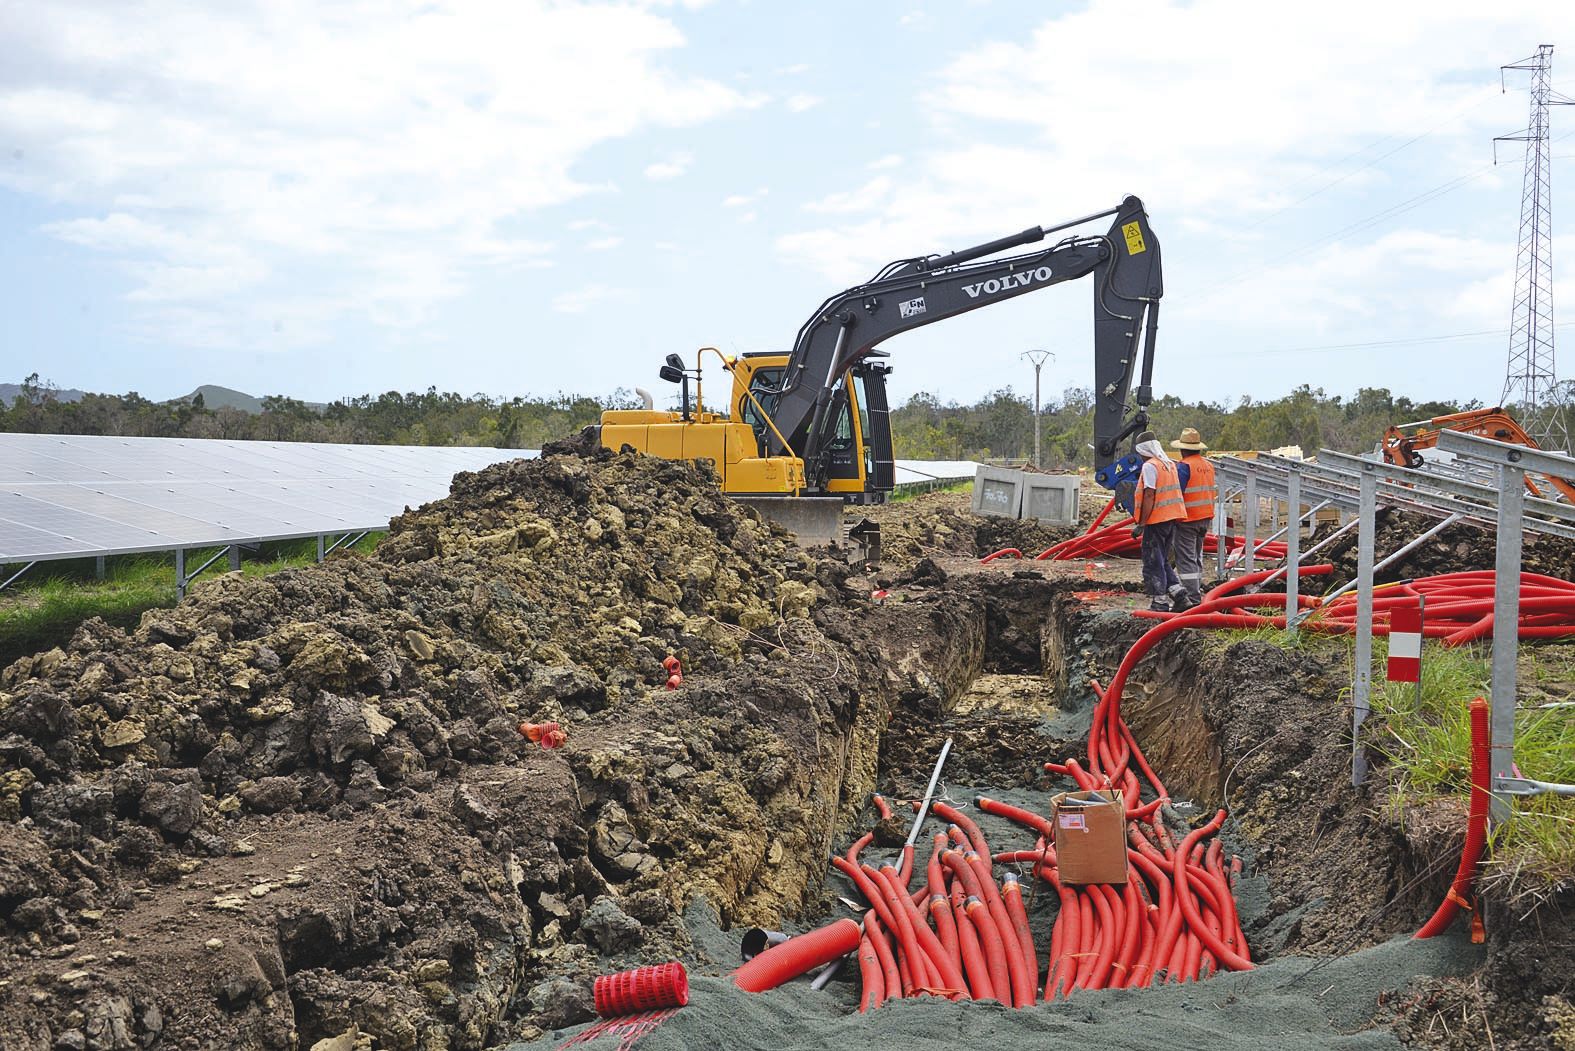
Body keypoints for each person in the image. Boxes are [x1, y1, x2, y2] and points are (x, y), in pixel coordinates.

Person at [1130, 430, 1190, 612]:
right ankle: (1180, 595)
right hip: (1171, 517)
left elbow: (1149, 494)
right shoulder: (1169, 464)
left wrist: (1142, 523)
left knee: (1153, 561)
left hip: (1157, 520)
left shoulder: (1150, 466)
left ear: (1143, 450)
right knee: (1162, 559)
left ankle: (1160, 602)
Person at [1170, 427, 1216, 608]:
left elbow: (1176, 493)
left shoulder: (1184, 466)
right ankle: (1195, 592)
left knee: (1186, 559)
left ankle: (1192, 598)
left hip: (1187, 520)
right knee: (1196, 557)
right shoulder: (1208, 465)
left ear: (1183, 449)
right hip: (1205, 518)